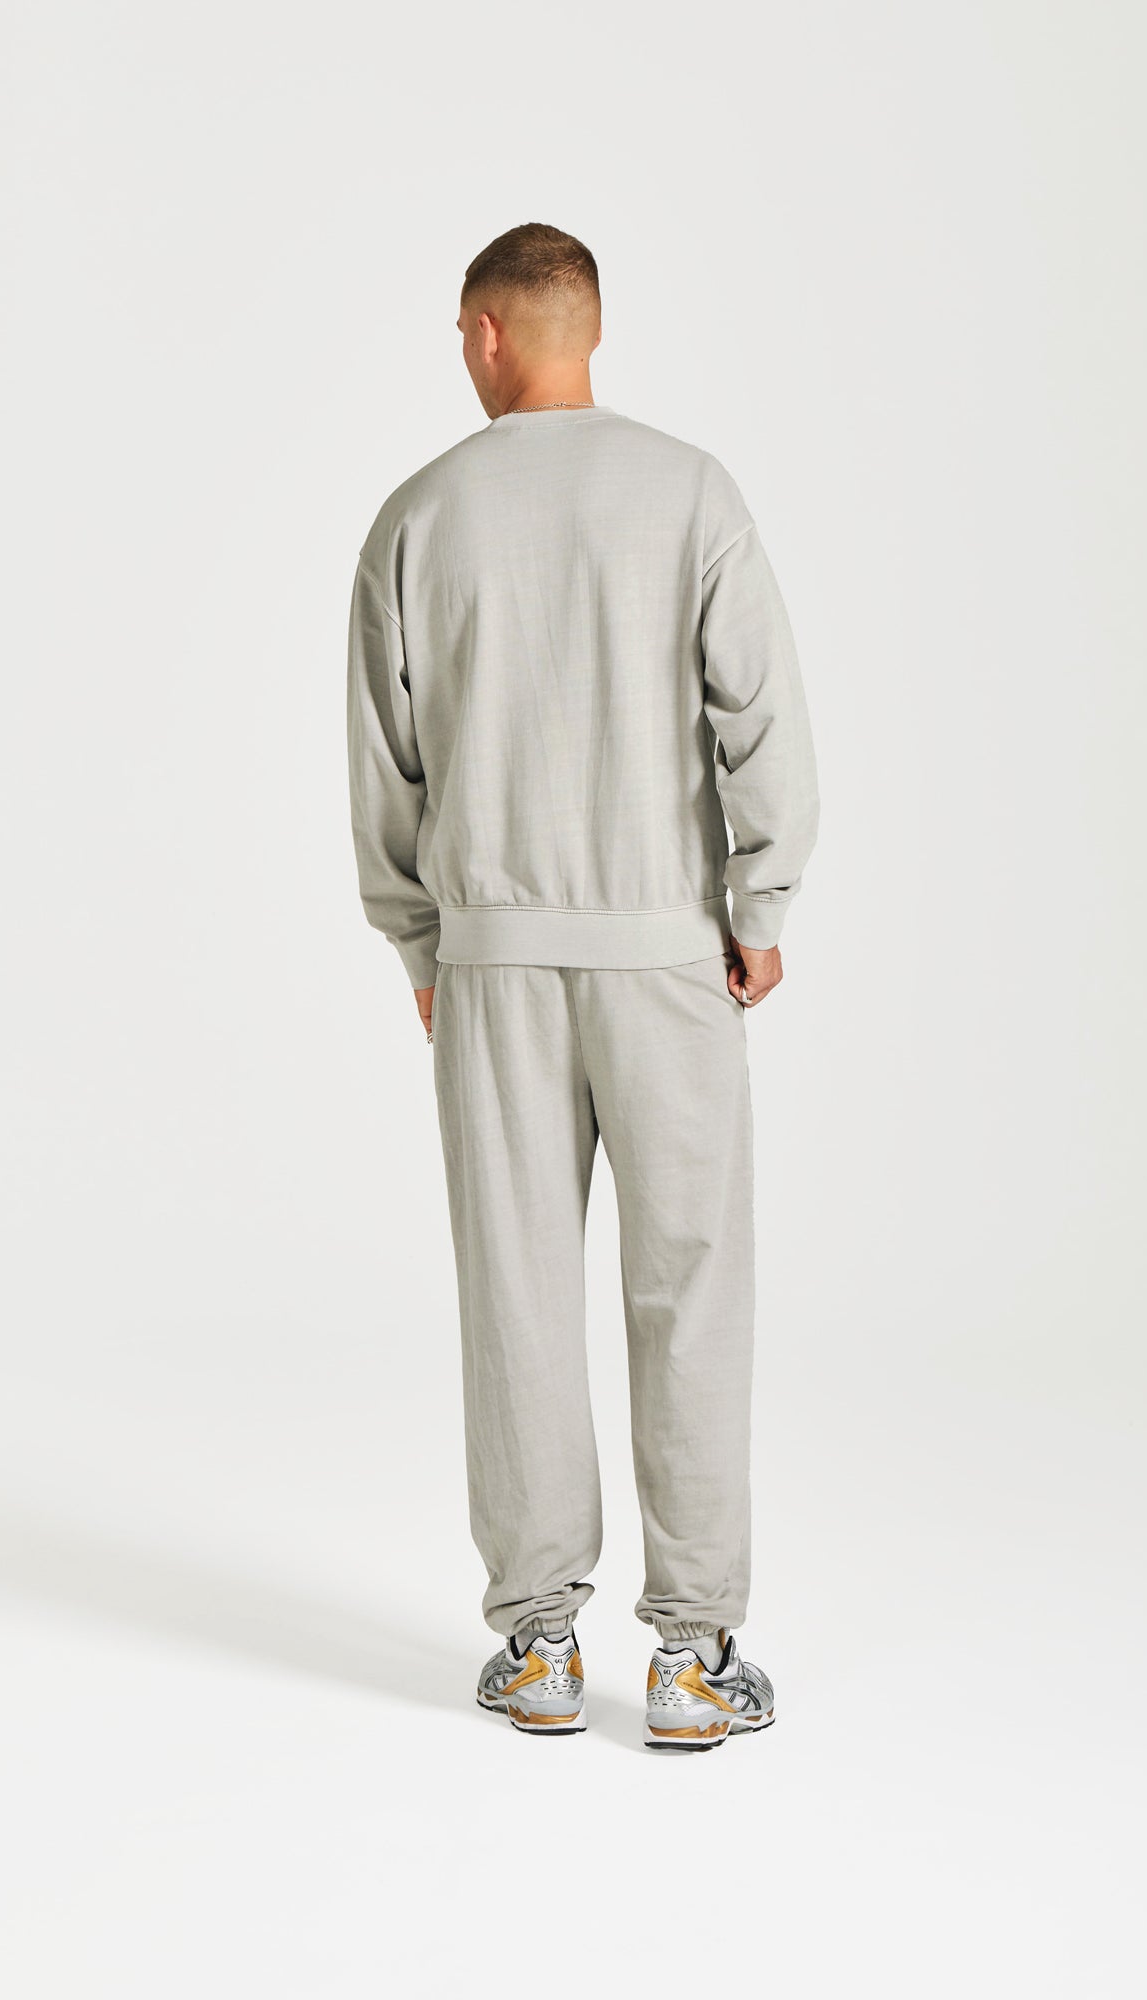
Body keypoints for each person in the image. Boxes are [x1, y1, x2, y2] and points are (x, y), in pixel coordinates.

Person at [346, 221, 819, 1751]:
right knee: (693, 1288)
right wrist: (758, 905)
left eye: (460, 334)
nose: (461, 355)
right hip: (669, 954)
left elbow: (385, 771)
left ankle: (540, 1645)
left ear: (491, 331)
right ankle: (691, 1658)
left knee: (518, 1292)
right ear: (586, 328)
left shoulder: (419, 516)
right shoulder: (692, 493)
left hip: (492, 966)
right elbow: (762, 723)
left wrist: (423, 944)